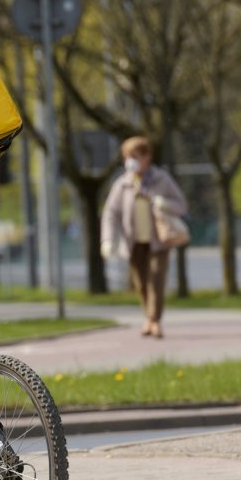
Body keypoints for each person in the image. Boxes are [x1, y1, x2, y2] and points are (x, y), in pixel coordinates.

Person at [100, 136, 188, 339]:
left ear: (147, 157)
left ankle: (154, 321)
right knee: (140, 283)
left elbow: (181, 205)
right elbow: (111, 213)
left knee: (156, 279)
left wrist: (165, 203)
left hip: (159, 240)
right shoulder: (122, 184)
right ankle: (149, 317)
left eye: (135, 156)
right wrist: (107, 240)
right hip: (133, 242)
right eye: (127, 157)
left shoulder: (161, 179)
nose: (130, 161)